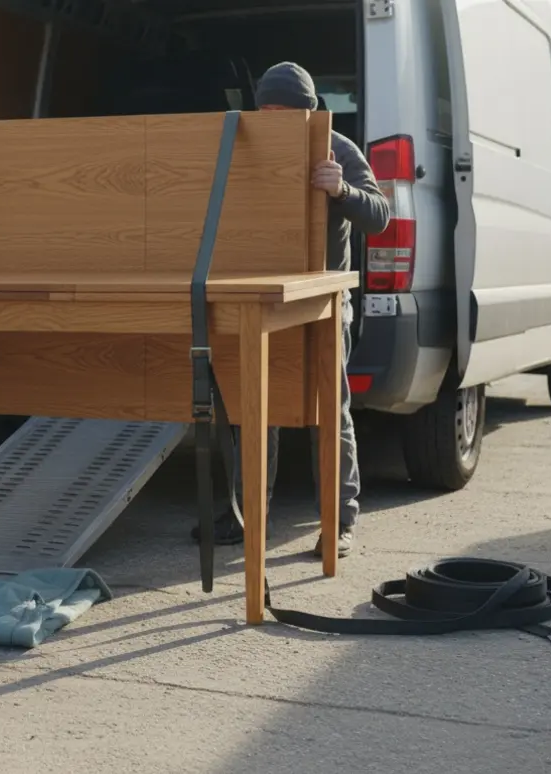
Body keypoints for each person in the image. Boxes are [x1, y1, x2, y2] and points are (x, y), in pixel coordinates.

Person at [192, 61, 390, 556]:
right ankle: (245, 514)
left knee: (331, 412)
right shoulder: (245, 147)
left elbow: (381, 217)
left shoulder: (337, 147)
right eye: (266, 110)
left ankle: (340, 523)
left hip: (325, 303)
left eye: (282, 111)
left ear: (306, 111)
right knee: (255, 411)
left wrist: (340, 189)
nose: (272, 119)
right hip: (265, 299)